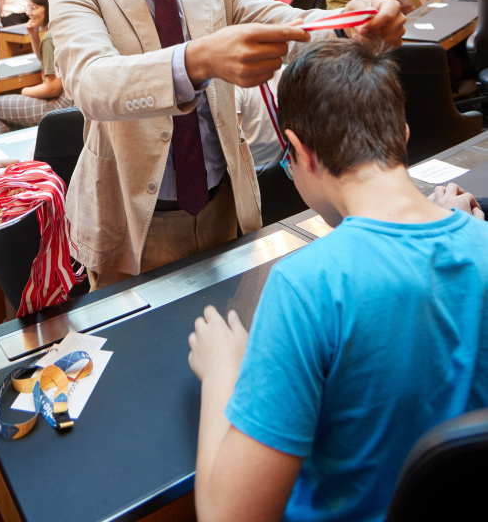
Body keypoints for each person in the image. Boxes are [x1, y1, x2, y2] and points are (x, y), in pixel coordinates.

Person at [47, 0, 405, 290]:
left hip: (226, 208)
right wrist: (196, 60)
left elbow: (281, 21)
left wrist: (346, 22)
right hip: (132, 223)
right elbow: (92, 84)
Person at [188, 38, 488, 522]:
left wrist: (224, 370)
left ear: (302, 152)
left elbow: (228, 517)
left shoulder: (305, 287)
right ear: (403, 134)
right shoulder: (479, 240)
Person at [0, 0, 70, 134]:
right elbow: (47, 62)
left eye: (34, 8)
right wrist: (34, 35)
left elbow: (52, 88)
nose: (28, 12)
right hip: (68, 105)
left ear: (49, 8)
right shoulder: (60, 29)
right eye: (28, 7)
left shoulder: (50, 37)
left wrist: (23, 91)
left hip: (57, 107)